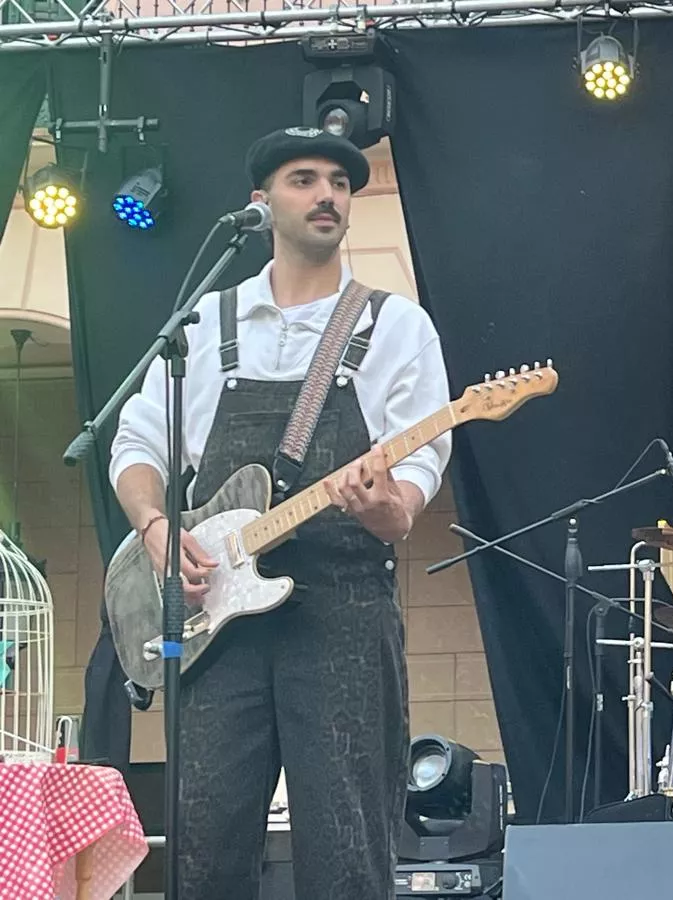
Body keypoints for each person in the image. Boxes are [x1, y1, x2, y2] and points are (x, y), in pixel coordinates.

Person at [109, 126, 451, 899]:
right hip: (218, 620)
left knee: (347, 852)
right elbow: (136, 442)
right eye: (305, 179)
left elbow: (419, 466)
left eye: (340, 182)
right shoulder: (205, 323)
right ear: (260, 203)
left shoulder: (396, 326)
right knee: (202, 852)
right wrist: (158, 528)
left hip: (342, 612)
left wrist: (389, 507)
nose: (327, 194)